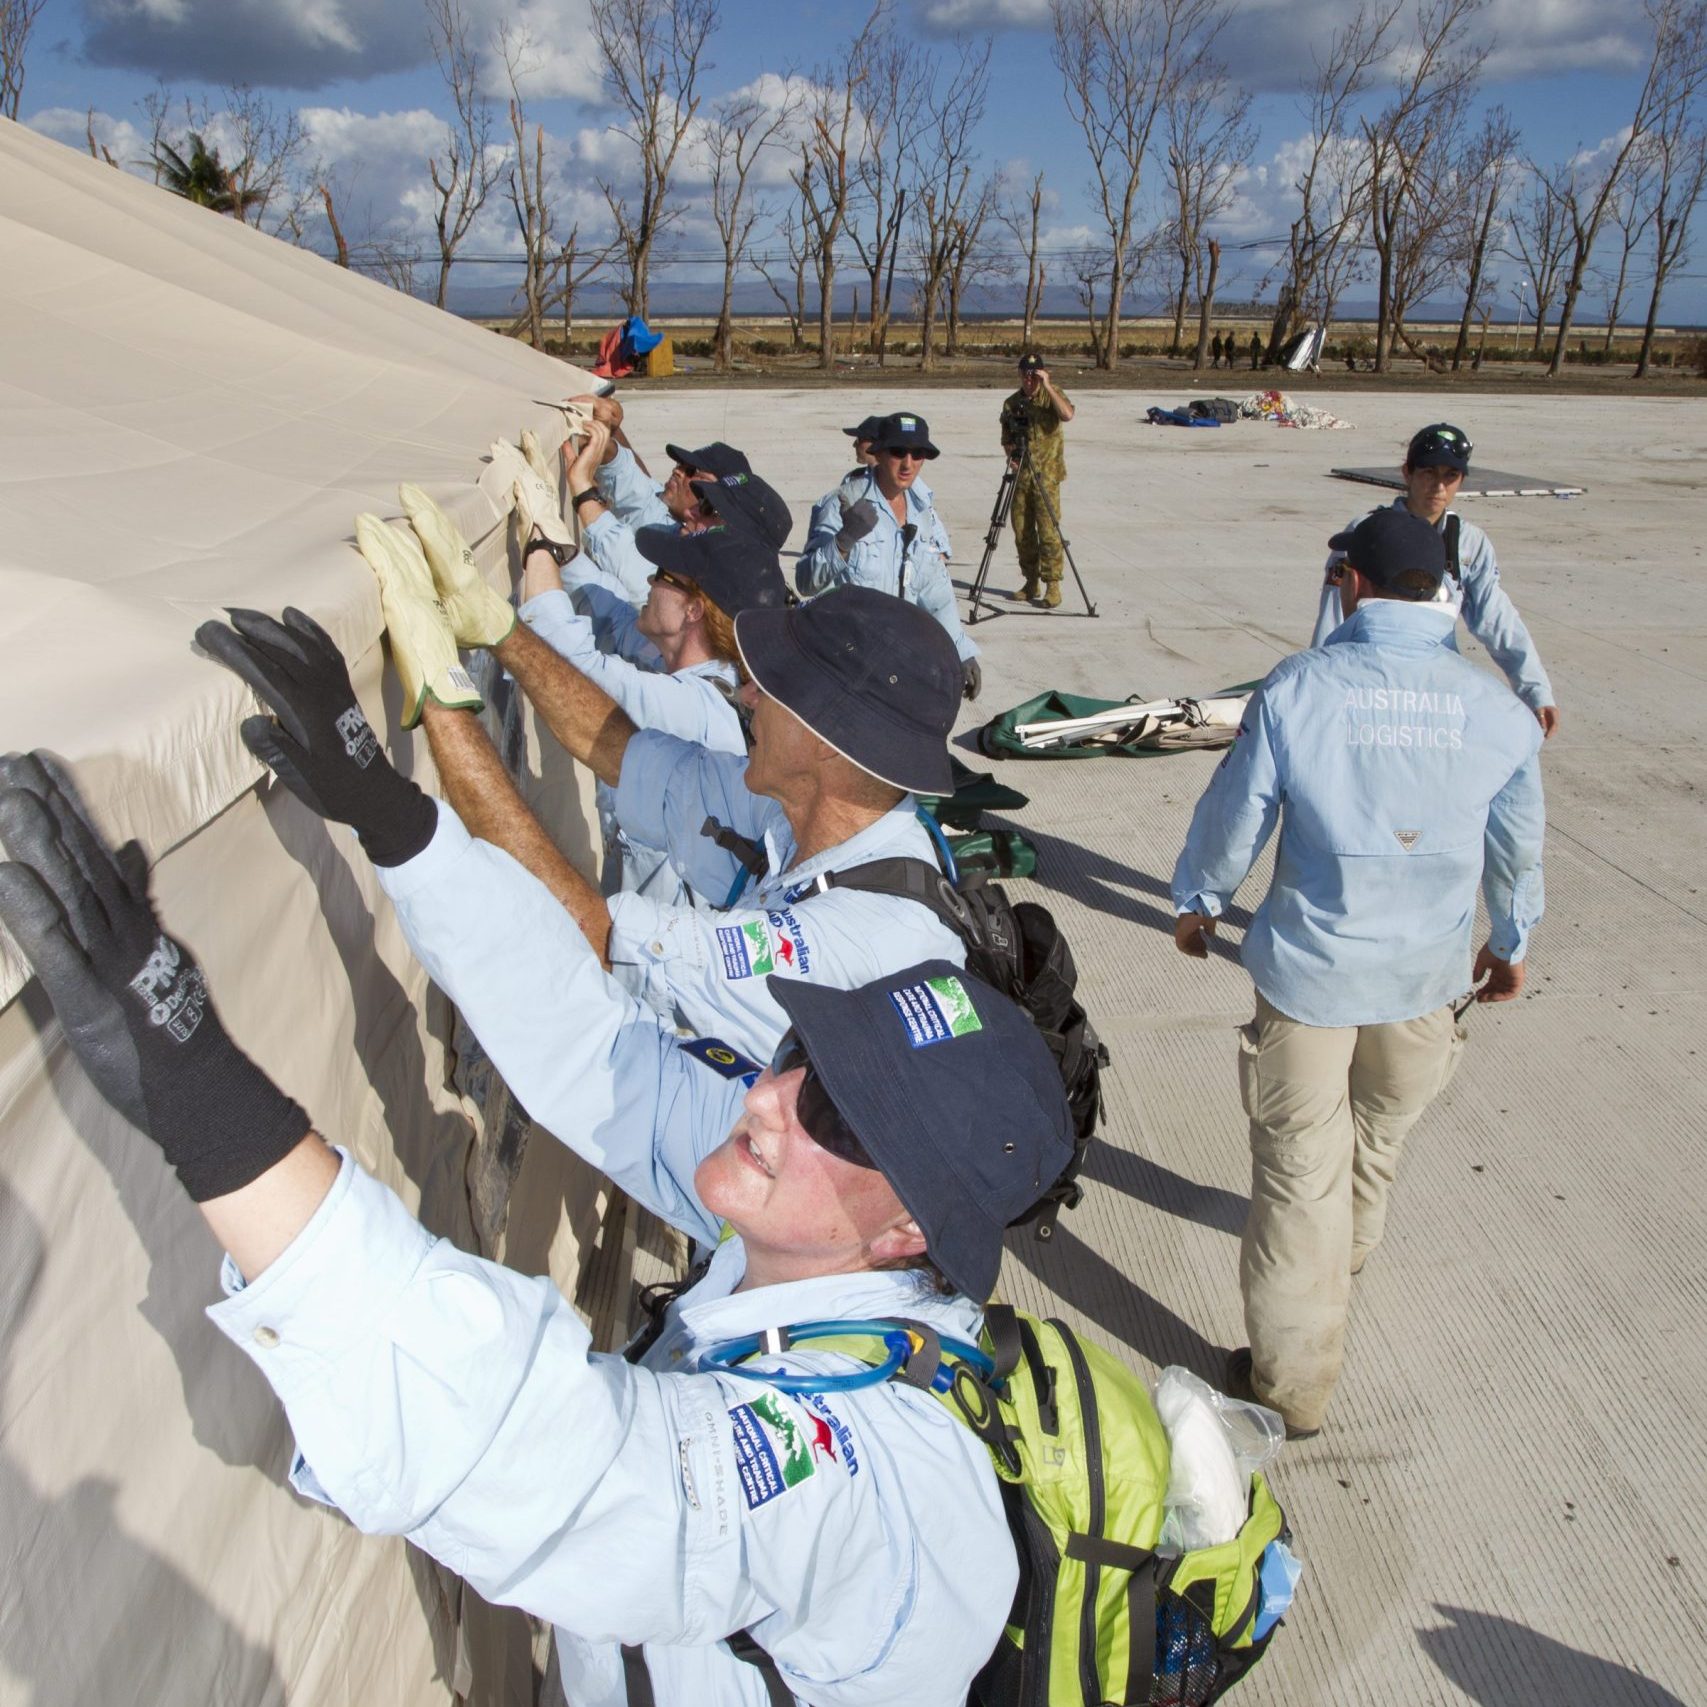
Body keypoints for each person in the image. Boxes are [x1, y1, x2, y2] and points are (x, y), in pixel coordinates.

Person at [0, 748, 1076, 1707]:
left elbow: (573, 1464)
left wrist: (207, 1097)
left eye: (843, 1116)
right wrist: (391, 812)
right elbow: (589, 1043)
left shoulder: (871, 1472)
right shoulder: (799, 1240)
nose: (768, 1099)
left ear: (903, 1237)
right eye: (804, 1055)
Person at [201, 585, 969, 1065]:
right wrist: (501, 627)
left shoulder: (846, 946)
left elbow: (590, 929)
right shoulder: (804, 809)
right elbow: (623, 752)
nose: (743, 700)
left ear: (829, 746)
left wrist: (431, 715)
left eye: (771, 691)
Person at [1171, 507, 1545, 1439]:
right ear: (1438, 593)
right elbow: (1516, 847)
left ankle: (1288, 1386)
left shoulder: (1302, 686)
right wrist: (1511, 941)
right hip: (1424, 984)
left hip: (1311, 980)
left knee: (1301, 1174)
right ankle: (1346, 1268)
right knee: (1375, 1141)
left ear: (1352, 583)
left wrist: (1200, 899)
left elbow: (1237, 811)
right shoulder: (1496, 711)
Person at [513, 517, 786, 907]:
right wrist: (565, 557)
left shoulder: (693, 708)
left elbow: (567, 668)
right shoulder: (706, 676)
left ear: (693, 610)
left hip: (658, 953)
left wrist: (537, 553)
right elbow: (620, 621)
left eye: (661, 576)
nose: (648, 582)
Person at [1312, 422, 1560, 737]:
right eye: (1429, 473)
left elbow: (1498, 620)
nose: (1439, 486)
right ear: (1407, 473)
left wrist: (1535, 690)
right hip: (1371, 687)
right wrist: (1320, 692)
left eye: (1450, 476)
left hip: (1437, 695)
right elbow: (1333, 619)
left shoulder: (1469, 544)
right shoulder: (1364, 535)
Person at [797, 412, 981, 698]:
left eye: (917, 454)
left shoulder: (921, 509)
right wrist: (844, 541)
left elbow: (935, 590)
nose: (908, 464)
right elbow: (807, 582)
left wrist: (961, 651)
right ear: (879, 453)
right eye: (898, 452)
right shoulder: (843, 503)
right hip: (848, 659)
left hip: (899, 661)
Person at [566, 421, 765, 603]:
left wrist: (583, 493)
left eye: (692, 473)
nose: (677, 471)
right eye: (680, 464)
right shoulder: (673, 519)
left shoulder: (709, 576)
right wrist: (603, 439)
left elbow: (633, 576)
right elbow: (634, 486)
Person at [998, 354, 1076, 608]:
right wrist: (1012, 455)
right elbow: (1007, 437)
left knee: (1049, 532)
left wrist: (1049, 386)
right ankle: (1031, 581)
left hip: (1047, 477)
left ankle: (1053, 585)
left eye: (1034, 375)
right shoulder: (1012, 403)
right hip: (1022, 477)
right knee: (1022, 533)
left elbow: (1067, 415)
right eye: (1025, 375)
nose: (1029, 380)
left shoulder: (1051, 397)